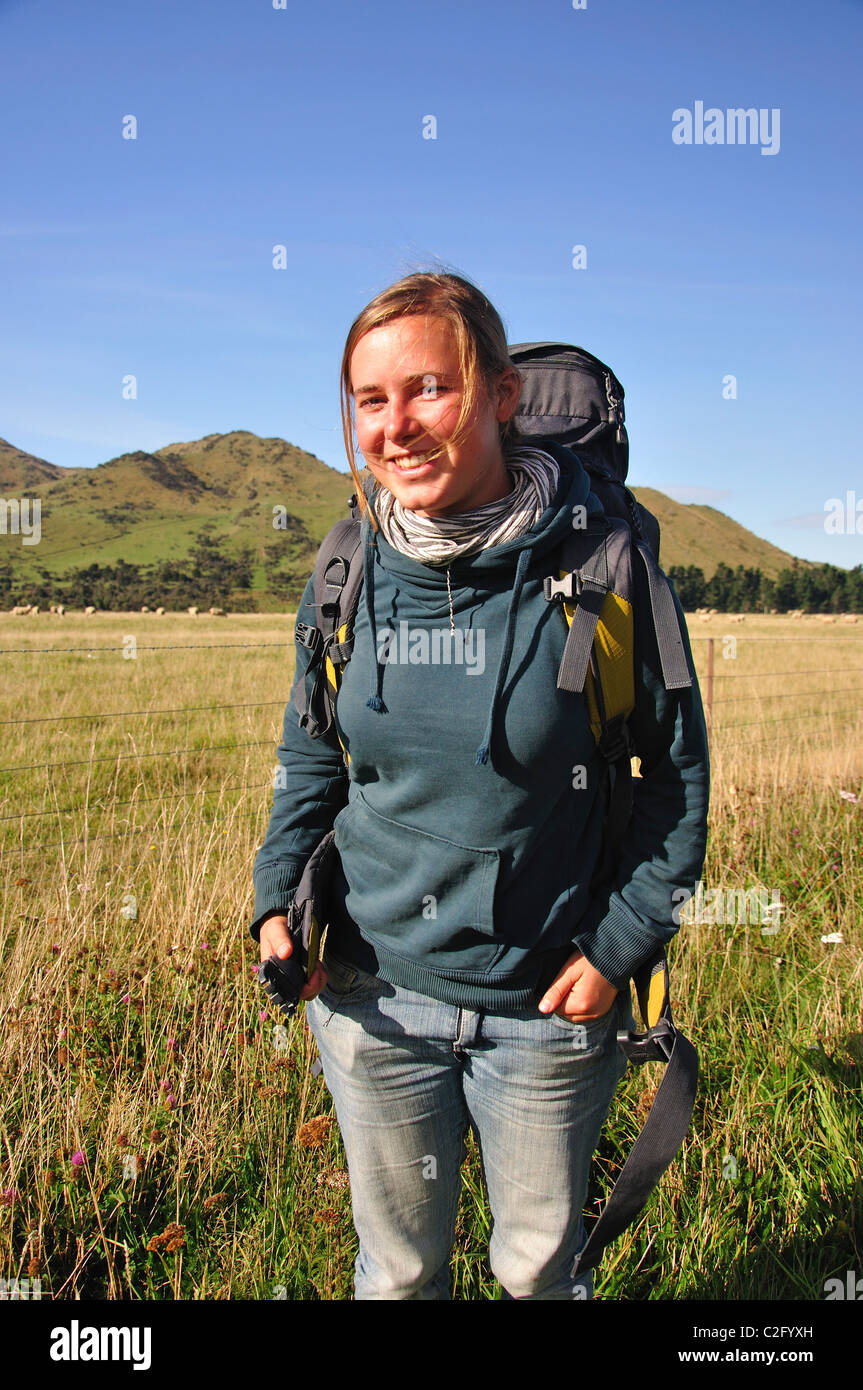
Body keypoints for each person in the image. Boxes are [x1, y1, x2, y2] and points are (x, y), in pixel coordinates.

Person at [250, 270, 710, 1300]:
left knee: (537, 1272)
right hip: (369, 997)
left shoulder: (603, 567)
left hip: (545, 1008)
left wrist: (616, 948)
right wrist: (277, 900)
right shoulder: (344, 570)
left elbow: (674, 781)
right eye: (370, 400)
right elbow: (313, 759)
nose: (396, 427)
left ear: (501, 395)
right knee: (399, 1270)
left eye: (429, 390)